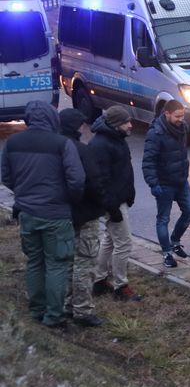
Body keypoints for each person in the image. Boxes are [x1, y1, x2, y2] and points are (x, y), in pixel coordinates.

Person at [2, 102, 84, 327]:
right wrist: (69, 200)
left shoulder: (12, 142)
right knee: (57, 264)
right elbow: (76, 180)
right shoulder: (62, 144)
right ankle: (54, 315)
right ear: (51, 118)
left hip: (27, 213)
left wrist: (23, 193)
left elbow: (5, 176)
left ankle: (37, 310)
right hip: (56, 214)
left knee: (35, 262)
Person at [58, 109, 107, 327]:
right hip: (85, 214)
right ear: (77, 127)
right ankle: (83, 309)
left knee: (66, 261)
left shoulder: (55, 148)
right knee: (85, 262)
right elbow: (94, 184)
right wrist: (103, 204)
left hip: (60, 215)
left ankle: (67, 304)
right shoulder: (81, 150)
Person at [89, 105, 142, 303]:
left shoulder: (116, 138)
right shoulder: (101, 145)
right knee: (124, 243)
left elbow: (122, 171)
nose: (130, 125)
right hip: (113, 203)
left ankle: (99, 280)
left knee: (110, 240)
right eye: (126, 122)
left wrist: (129, 194)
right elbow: (99, 181)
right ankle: (121, 286)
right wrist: (112, 209)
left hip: (119, 199)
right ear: (115, 124)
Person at [143, 99, 190, 269]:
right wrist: (153, 183)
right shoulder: (156, 133)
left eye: (183, 115)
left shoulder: (183, 128)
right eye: (177, 116)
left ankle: (175, 241)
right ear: (166, 114)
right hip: (165, 183)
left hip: (181, 179)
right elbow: (148, 161)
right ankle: (167, 253)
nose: (181, 119)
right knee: (163, 218)